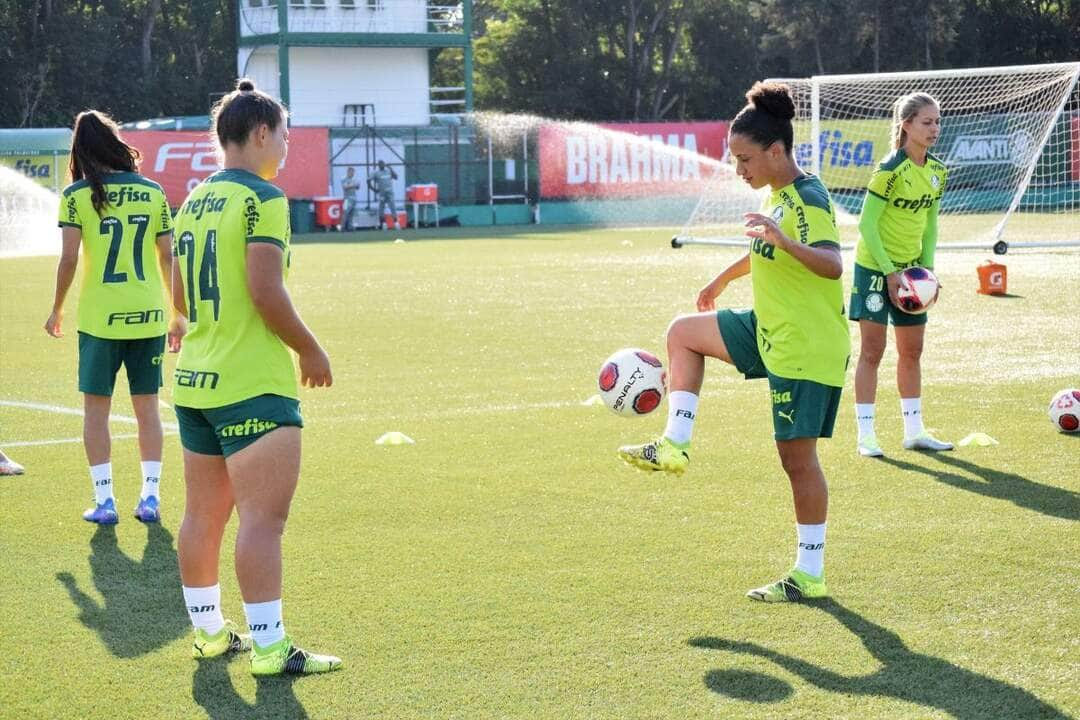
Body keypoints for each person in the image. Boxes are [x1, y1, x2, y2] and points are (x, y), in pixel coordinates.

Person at [618, 82, 849, 603]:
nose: (738, 169)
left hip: (805, 346)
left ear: (775, 151)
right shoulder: (777, 198)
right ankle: (675, 445)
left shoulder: (808, 197)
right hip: (769, 327)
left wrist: (784, 240)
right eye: (732, 159)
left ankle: (809, 574)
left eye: (744, 158)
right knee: (683, 333)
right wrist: (723, 279)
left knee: (797, 462)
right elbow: (768, 253)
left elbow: (832, 265)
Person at [171, 78, 341, 676]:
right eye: (286, 136)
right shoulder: (264, 200)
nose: (288, 149)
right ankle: (269, 648)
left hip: (194, 379)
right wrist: (311, 350)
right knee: (262, 521)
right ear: (262, 133)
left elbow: (182, 293)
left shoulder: (192, 201)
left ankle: (209, 636)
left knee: (201, 517)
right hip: (251, 382)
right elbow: (265, 289)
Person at [45, 110, 173, 524]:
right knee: (147, 408)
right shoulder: (153, 192)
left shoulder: (77, 195)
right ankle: (150, 497)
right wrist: (179, 314)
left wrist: (56, 308)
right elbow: (168, 257)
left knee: (96, 413)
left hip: (101, 319)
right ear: (116, 143)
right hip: (150, 315)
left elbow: (68, 259)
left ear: (80, 149)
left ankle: (105, 502)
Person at [850, 93, 952, 457]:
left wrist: (929, 272)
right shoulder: (889, 170)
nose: (935, 128)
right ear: (906, 124)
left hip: (911, 273)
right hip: (875, 270)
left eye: (938, 121)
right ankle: (866, 435)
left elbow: (930, 227)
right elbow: (866, 225)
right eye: (927, 122)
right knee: (872, 351)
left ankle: (914, 431)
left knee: (913, 351)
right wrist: (890, 273)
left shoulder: (938, 171)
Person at [368, 159, 398, 229]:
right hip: (382, 193)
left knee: (392, 206)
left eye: (383, 164)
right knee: (381, 207)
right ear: (378, 165)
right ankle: (383, 223)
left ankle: (396, 222)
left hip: (390, 192)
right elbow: (368, 180)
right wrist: (374, 189)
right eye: (380, 164)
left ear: (385, 164)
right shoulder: (376, 172)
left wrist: (391, 169)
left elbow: (396, 177)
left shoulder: (388, 171)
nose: (382, 165)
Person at [340, 166, 360, 231]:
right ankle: (342, 227)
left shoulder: (354, 179)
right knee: (345, 212)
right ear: (348, 172)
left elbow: (357, 187)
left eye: (353, 172)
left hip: (354, 198)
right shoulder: (344, 179)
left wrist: (356, 185)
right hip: (347, 198)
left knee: (352, 213)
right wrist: (353, 185)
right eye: (351, 172)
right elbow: (345, 187)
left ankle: (350, 226)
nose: (352, 174)